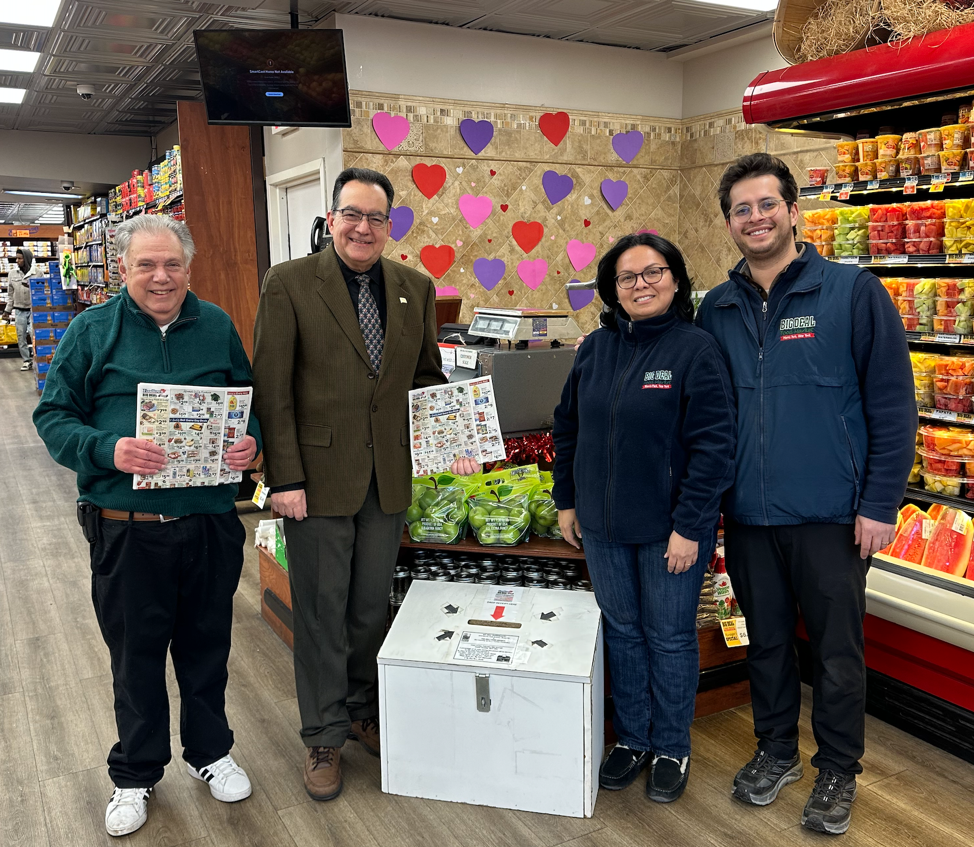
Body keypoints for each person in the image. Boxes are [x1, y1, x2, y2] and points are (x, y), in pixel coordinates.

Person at [695, 153, 916, 836]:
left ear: (794, 210)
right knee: (764, 642)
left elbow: (892, 403)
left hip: (832, 514)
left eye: (768, 204)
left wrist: (881, 502)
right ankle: (777, 749)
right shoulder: (718, 306)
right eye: (742, 208)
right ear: (729, 221)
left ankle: (839, 770)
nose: (755, 217)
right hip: (751, 513)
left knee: (837, 651)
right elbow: (707, 414)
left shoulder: (852, 291)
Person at [252, 167, 477, 803]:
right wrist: (284, 479)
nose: (364, 228)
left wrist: (453, 437)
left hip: (388, 482)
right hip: (315, 482)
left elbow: (427, 378)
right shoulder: (290, 283)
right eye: (353, 214)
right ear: (332, 218)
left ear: (390, 225)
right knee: (321, 611)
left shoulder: (415, 287)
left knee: (369, 608)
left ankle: (358, 709)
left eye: (377, 218)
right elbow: (273, 389)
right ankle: (322, 735)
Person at [33, 215, 261, 838]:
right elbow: (52, 416)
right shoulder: (92, 330)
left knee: (207, 646)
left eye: (172, 265)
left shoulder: (214, 325)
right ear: (124, 269)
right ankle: (134, 774)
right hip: (127, 526)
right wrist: (109, 449)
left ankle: (209, 753)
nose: (161, 277)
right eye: (146, 265)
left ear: (189, 268)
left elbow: (248, 402)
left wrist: (250, 446)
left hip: (210, 522)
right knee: (135, 657)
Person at [552, 233, 736, 803]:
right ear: (612, 289)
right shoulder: (593, 350)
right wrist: (566, 500)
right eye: (628, 277)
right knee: (624, 634)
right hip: (604, 529)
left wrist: (690, 526)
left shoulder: (695, 350)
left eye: (653, 272)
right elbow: (568, 428)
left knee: (670, 637)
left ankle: (672, 746)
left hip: (669, 533)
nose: (641, 284)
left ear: (676, 280)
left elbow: (714, 447)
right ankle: (632, 738)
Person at [4, 246, 37, 370]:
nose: (17, 261)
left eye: (20, 258)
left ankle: (36, 358)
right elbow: (10, 295)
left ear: (27, 259)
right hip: (18, 310)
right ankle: (26, 360)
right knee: (20, 336)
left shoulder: (37, 272)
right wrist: (7, 310)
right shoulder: (12, 274)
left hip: (33, 310)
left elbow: (42, 291)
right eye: (16, 258)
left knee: (33, 334)